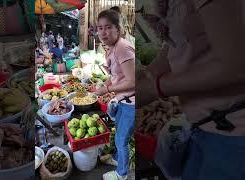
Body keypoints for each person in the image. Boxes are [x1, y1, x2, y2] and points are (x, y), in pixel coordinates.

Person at [138, 0, 245, 180]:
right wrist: (149, 74)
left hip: (233, 132)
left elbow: (235, 67)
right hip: (205, 126)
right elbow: (184, 42)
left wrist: (156, 87)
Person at [94, 10, 135, 180]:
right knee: (119, 134)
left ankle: (122, 174)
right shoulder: (111, 48)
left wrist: (108, 90)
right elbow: (117, 76)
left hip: (131, 104)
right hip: (123, 101)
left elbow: (133, 82)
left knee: (121, 140)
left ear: (118, 29)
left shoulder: (122, 48)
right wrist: (106, 83)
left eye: (108, 27)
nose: (103, 32)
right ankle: (118, 159)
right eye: (100, 28)